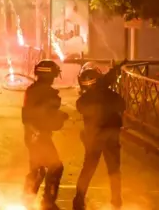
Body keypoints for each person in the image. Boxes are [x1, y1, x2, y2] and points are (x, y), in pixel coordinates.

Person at [73, 65, 126, 210]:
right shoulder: (111, 95)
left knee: (88, 169)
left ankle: (78, 200)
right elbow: (122, 105)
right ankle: (116, 201)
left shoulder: (83, 100)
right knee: (114, 170)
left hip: (93, 137)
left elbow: (82, 107)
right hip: (111, 136)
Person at [22, 60, 69, 210]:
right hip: (38, 135)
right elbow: (40, 114)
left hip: (34, 134)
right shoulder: (45, 92)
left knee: (38, 168)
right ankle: (47, 202)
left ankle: (28, 200)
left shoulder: (33, 89)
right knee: (55, 167)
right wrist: (60, 116)